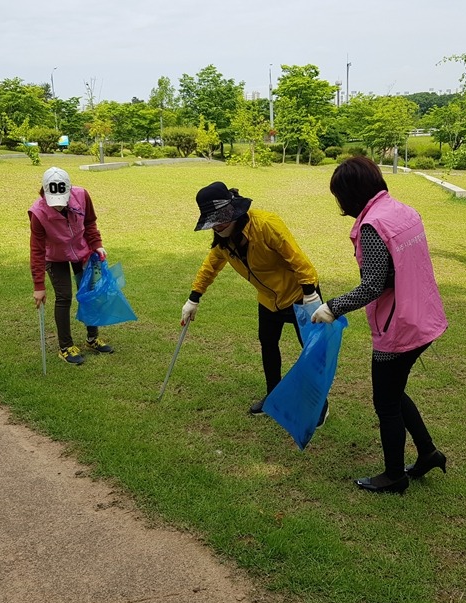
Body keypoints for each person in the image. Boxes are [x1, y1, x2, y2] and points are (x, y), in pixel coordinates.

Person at [312, 156, 448, 494]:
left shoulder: (373, 225)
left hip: (399, 326)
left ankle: (394, 475)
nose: (338, 203)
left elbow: (373, 284)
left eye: (338, 195)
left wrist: (333, 307)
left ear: (351, 193)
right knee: (394, 391)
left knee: (385, 402)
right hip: (423, 316)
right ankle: (428, 452)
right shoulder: (401, 210)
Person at [182, 181, 327, 422]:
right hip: (269, 300)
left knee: (311, 351)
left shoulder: (266, 224)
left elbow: (297, 259)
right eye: (212, 221)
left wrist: (310, 293)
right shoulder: (224, 240)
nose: (217, 226)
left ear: (233, 211)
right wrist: (193, 298)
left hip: (300, 295)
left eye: (220, 219)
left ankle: (320, 404)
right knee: (268, 344)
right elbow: (210, 266)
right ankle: (273, 396)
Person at [29, 167, 114, 365]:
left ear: (69, 190)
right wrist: (39, 286)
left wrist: (97, 245)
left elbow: (90, 222)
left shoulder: (82, 195)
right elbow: (37, 251)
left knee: (89, 293)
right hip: (54, 256)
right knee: (64, 296)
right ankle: (65, 347)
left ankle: (92, 338)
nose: (58, 206)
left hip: (81, 251)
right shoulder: (38, 213)